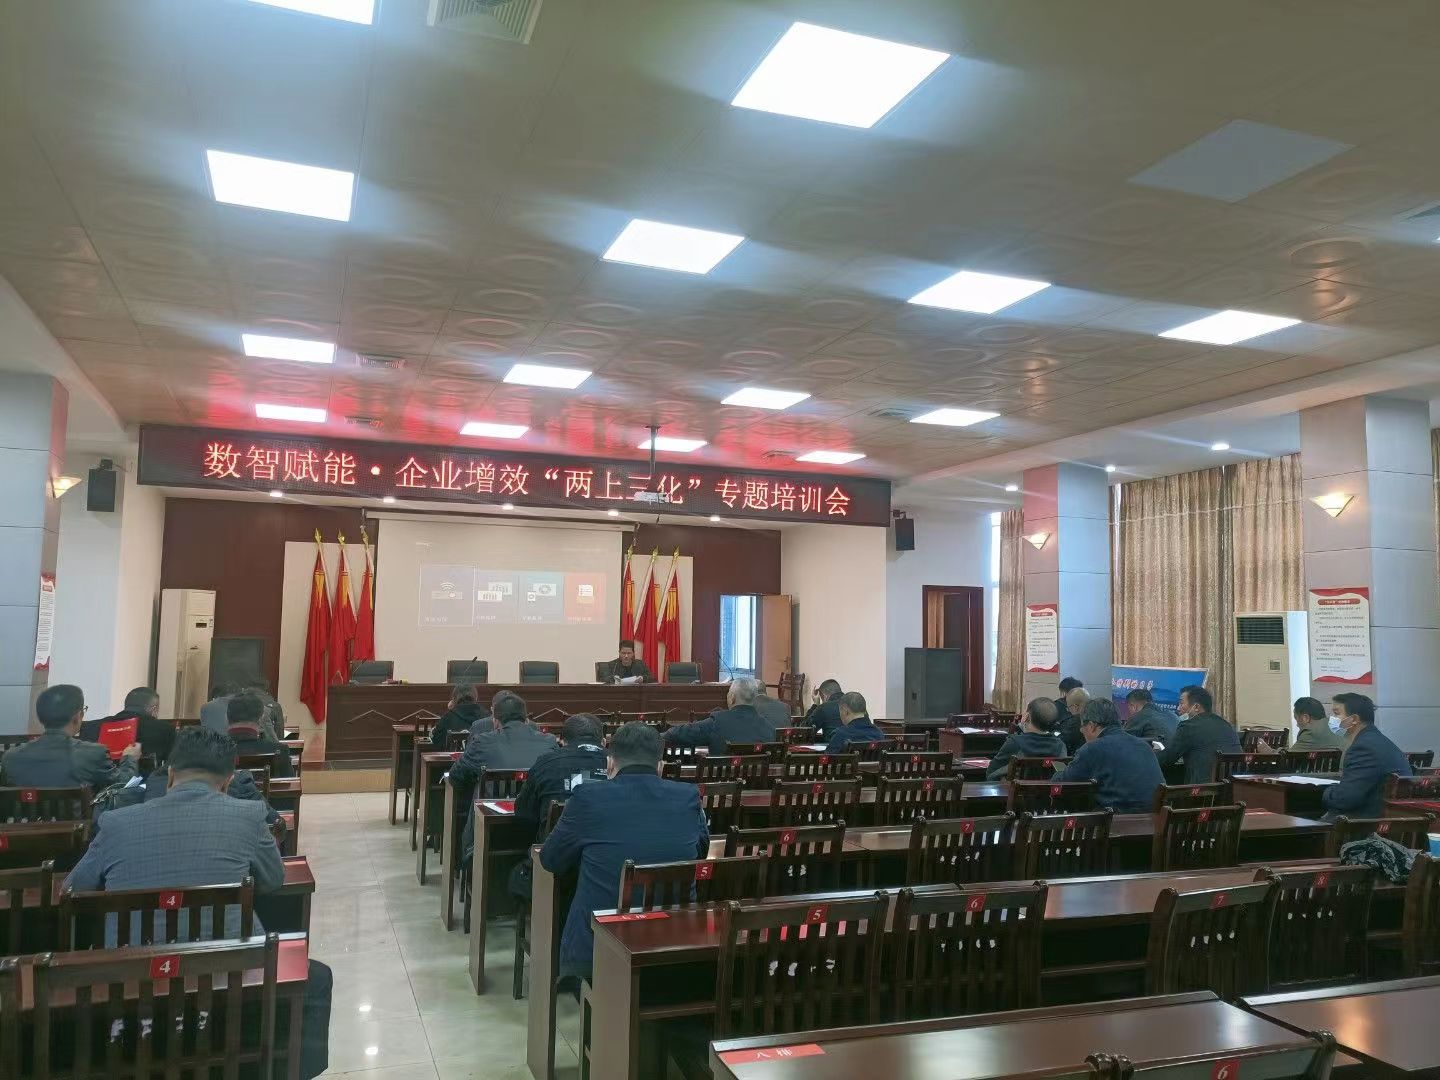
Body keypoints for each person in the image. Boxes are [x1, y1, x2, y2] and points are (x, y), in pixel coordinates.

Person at [68, 728, 330, 1079]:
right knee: (318, 977)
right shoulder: (249, 815)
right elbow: (273, 880)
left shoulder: (116, 823)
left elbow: (72, 891)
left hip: (128, 988)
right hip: (229, 982)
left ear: (170, 773)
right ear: (228, 780)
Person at [540, 722, 709, 982]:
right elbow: (701, 852)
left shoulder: (587, 796)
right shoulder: (688, 795)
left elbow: (551, 860)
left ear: (610, 763)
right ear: (660, 766)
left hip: (600, 946)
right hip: (674, 938)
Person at [1, 684, 141, 789]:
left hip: (25, 821)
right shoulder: (93, 753)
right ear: (77, 716)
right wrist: (130, 758)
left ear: (40, 717)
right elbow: (124, 785)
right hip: (80, 821)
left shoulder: (10, 757)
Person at [1054, 698, 1165, 812]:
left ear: (1092, 725)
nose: (1081, 730)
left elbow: (1065, 782)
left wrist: (1056, 774)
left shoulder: (1092, 748)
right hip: (1157, 818)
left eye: (1082, 726)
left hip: (1117, 819)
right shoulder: (1144, 745)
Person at [1321, 693, 1411, 820]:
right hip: (1389, 819)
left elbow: (1345, 799)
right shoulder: (1377, 740)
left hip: (1367, 823)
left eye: (1336, 713)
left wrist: (1326, 792)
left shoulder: (1363, 748)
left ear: (1354, 719)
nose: (1332, 719)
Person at [514, 713, 609, 831]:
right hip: (610, 840)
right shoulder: (618, 762)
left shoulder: (545, 762)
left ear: (563, 742)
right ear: (603, 742)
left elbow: (523, 812)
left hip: (555, 840)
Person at [449, 691, 558, 785]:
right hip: (537, 803)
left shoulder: (482, 742)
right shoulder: (549, 742)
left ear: (495, 722)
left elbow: (454, 777)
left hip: (491, 803)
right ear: (526, 721)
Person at [664, 676, 776, 755]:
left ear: (732, 698)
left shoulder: (717, 722)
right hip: (757, 782)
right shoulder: (769, 728)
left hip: (721, 782)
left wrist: (660, 735)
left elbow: (679, 734)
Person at [1154, 685, 1241, 784]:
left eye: (1181, 703)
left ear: (1196, 707)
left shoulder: (1188, 726)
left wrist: (1150, 755)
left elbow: (1167, 759)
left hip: (1203, 789)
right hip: (1234, 787)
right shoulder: (1227, 725)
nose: (1178, 708)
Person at [80, 686, 177, 762]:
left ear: (126, 705)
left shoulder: (90, 727)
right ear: (154, 710)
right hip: (144, 781)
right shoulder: (165, 730)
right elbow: (170, 765)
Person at [987, 698, 1067, 780]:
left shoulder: (1015, 743)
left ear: (1027, 717)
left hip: (1016, 788)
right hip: (1049, 788)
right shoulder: (1061, 746)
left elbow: (991, 773)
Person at [226, 693, 294, 779]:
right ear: (260, 720)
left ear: (227, 718)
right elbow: (288, 785)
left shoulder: (214, 751)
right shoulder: (279, 750)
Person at [429, 683, 488, 749]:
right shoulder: (486, 716)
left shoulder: (448, 717)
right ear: (475, 697)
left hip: (453, 755)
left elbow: (435, 739)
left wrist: (451, 710)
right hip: (480, 755)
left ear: (454, 698)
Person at [1059, 686, 1091, 754]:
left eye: (1068, 707)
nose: (1068, 710)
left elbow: (1060, 742)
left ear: (1075, 707)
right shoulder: (1099, 717)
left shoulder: (1073, 722)